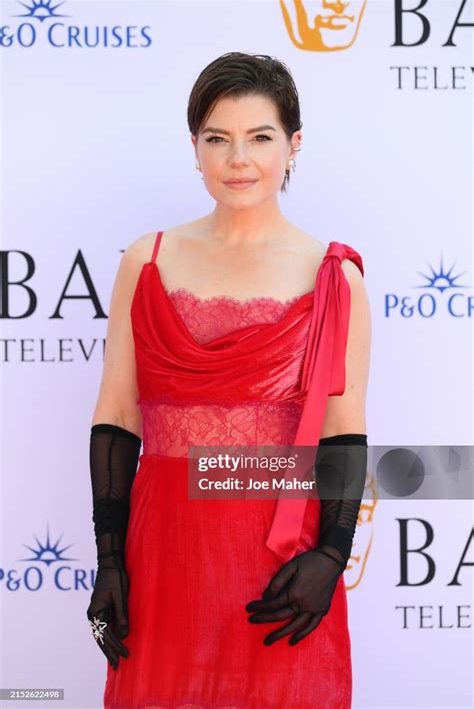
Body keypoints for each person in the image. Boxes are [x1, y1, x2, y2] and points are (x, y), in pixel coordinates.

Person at [86, 51, 371, 709]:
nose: (238, 159)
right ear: (195, 149)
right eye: (217, 139)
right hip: (163, 556)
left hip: (278, 563)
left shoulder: (335, 278)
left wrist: (331, 555)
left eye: (260, 138)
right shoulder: (146, 260)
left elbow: (343, 431)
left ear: (294, 146)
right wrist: (108, 560)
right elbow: (117, 418)